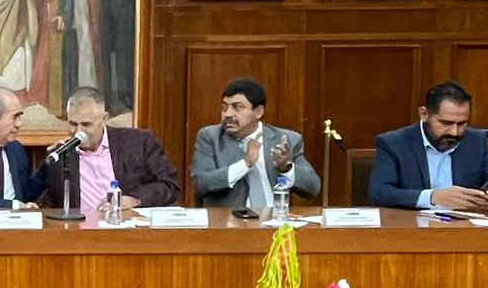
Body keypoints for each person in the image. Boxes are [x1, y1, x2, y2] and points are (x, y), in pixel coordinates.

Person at [368, 80, 488, 211]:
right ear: (424, 114)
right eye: (446, 123)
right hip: (413, 228)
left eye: (462, 124)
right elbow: (379, 192)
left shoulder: (475, 141)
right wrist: (432, 197)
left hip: (465, 228)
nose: (454, 132)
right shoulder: (394, 143)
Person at [40, 87, 179, 213]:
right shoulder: (60, 155)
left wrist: (134, 200)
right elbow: (51, 201)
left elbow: (169, 185)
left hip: (126, 227)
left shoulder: (138, 143)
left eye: (86, 124)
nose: (78, 132)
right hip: (79, 229)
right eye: (73, 124)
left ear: (104, 119)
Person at [191, 78, 320, 209]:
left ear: (258, 112)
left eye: (237, 107)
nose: (228, 114)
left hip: (275, 218)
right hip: (229, 219)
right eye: (224, 108)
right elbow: (201, 183)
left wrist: (286, 168)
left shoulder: (286, 139)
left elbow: (313, 188)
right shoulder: (210, 137)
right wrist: (245, 164)